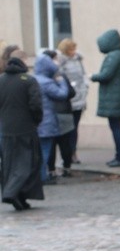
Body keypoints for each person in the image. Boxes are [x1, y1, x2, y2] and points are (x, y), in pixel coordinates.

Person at [0, 52, 44, 211]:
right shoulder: (29, 81)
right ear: (23, 62)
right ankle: (13, 193)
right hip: (26, 128)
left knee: (9, 164)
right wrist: (36, 120)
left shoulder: (1, 80)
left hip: (6, 130)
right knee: (27, 163)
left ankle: (17, 196)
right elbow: (36, 105)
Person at [91, 28, 120, 167]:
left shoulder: (114, 56)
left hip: (113, 96)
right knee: (116, 126)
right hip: (117, 96)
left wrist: (93, 76)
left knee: (116, 127)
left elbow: (106, 75)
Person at [34, 52, 70, 184]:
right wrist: (61, 82)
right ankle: (42, 178)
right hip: (47, 121)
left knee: (38, 151)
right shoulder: (47, 82)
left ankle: (39, 176)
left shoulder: (33, 79)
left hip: (36, 121)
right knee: (45, 150)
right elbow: (62, 95)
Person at [44, 49, 76, 179]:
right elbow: (71, 93)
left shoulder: (41, 78)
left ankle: (51, 170)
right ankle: (67, 168)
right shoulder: (60, 76)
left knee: (51, 144)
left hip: (50, 114)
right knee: (65, 143)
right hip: (64, 113)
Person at [56, 39, 88, 165]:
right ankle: (67, 154)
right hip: (67, 99)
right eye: (71, 49)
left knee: (75, 127)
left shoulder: (78, 59)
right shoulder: (60, 61)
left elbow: (83, 75)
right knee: (67, 128)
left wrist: (85, 87)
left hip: (79, 96)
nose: (74, 51)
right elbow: (60, 78)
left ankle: (73, 152)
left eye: (74, 49)